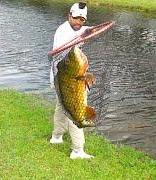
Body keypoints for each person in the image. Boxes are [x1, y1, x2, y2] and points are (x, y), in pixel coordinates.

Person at [49, 2, 94, 159]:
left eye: (82, 20)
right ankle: (77, 150)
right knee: (75, 111)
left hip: (63, 79)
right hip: (68, 81)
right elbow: (63, 59)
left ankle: (56, 137)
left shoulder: (76, 27)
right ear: (69, 15)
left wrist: (90, 30)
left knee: (61, 107)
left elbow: (83, 30)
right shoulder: (63, 33)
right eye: (76, 19)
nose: (79, 23)